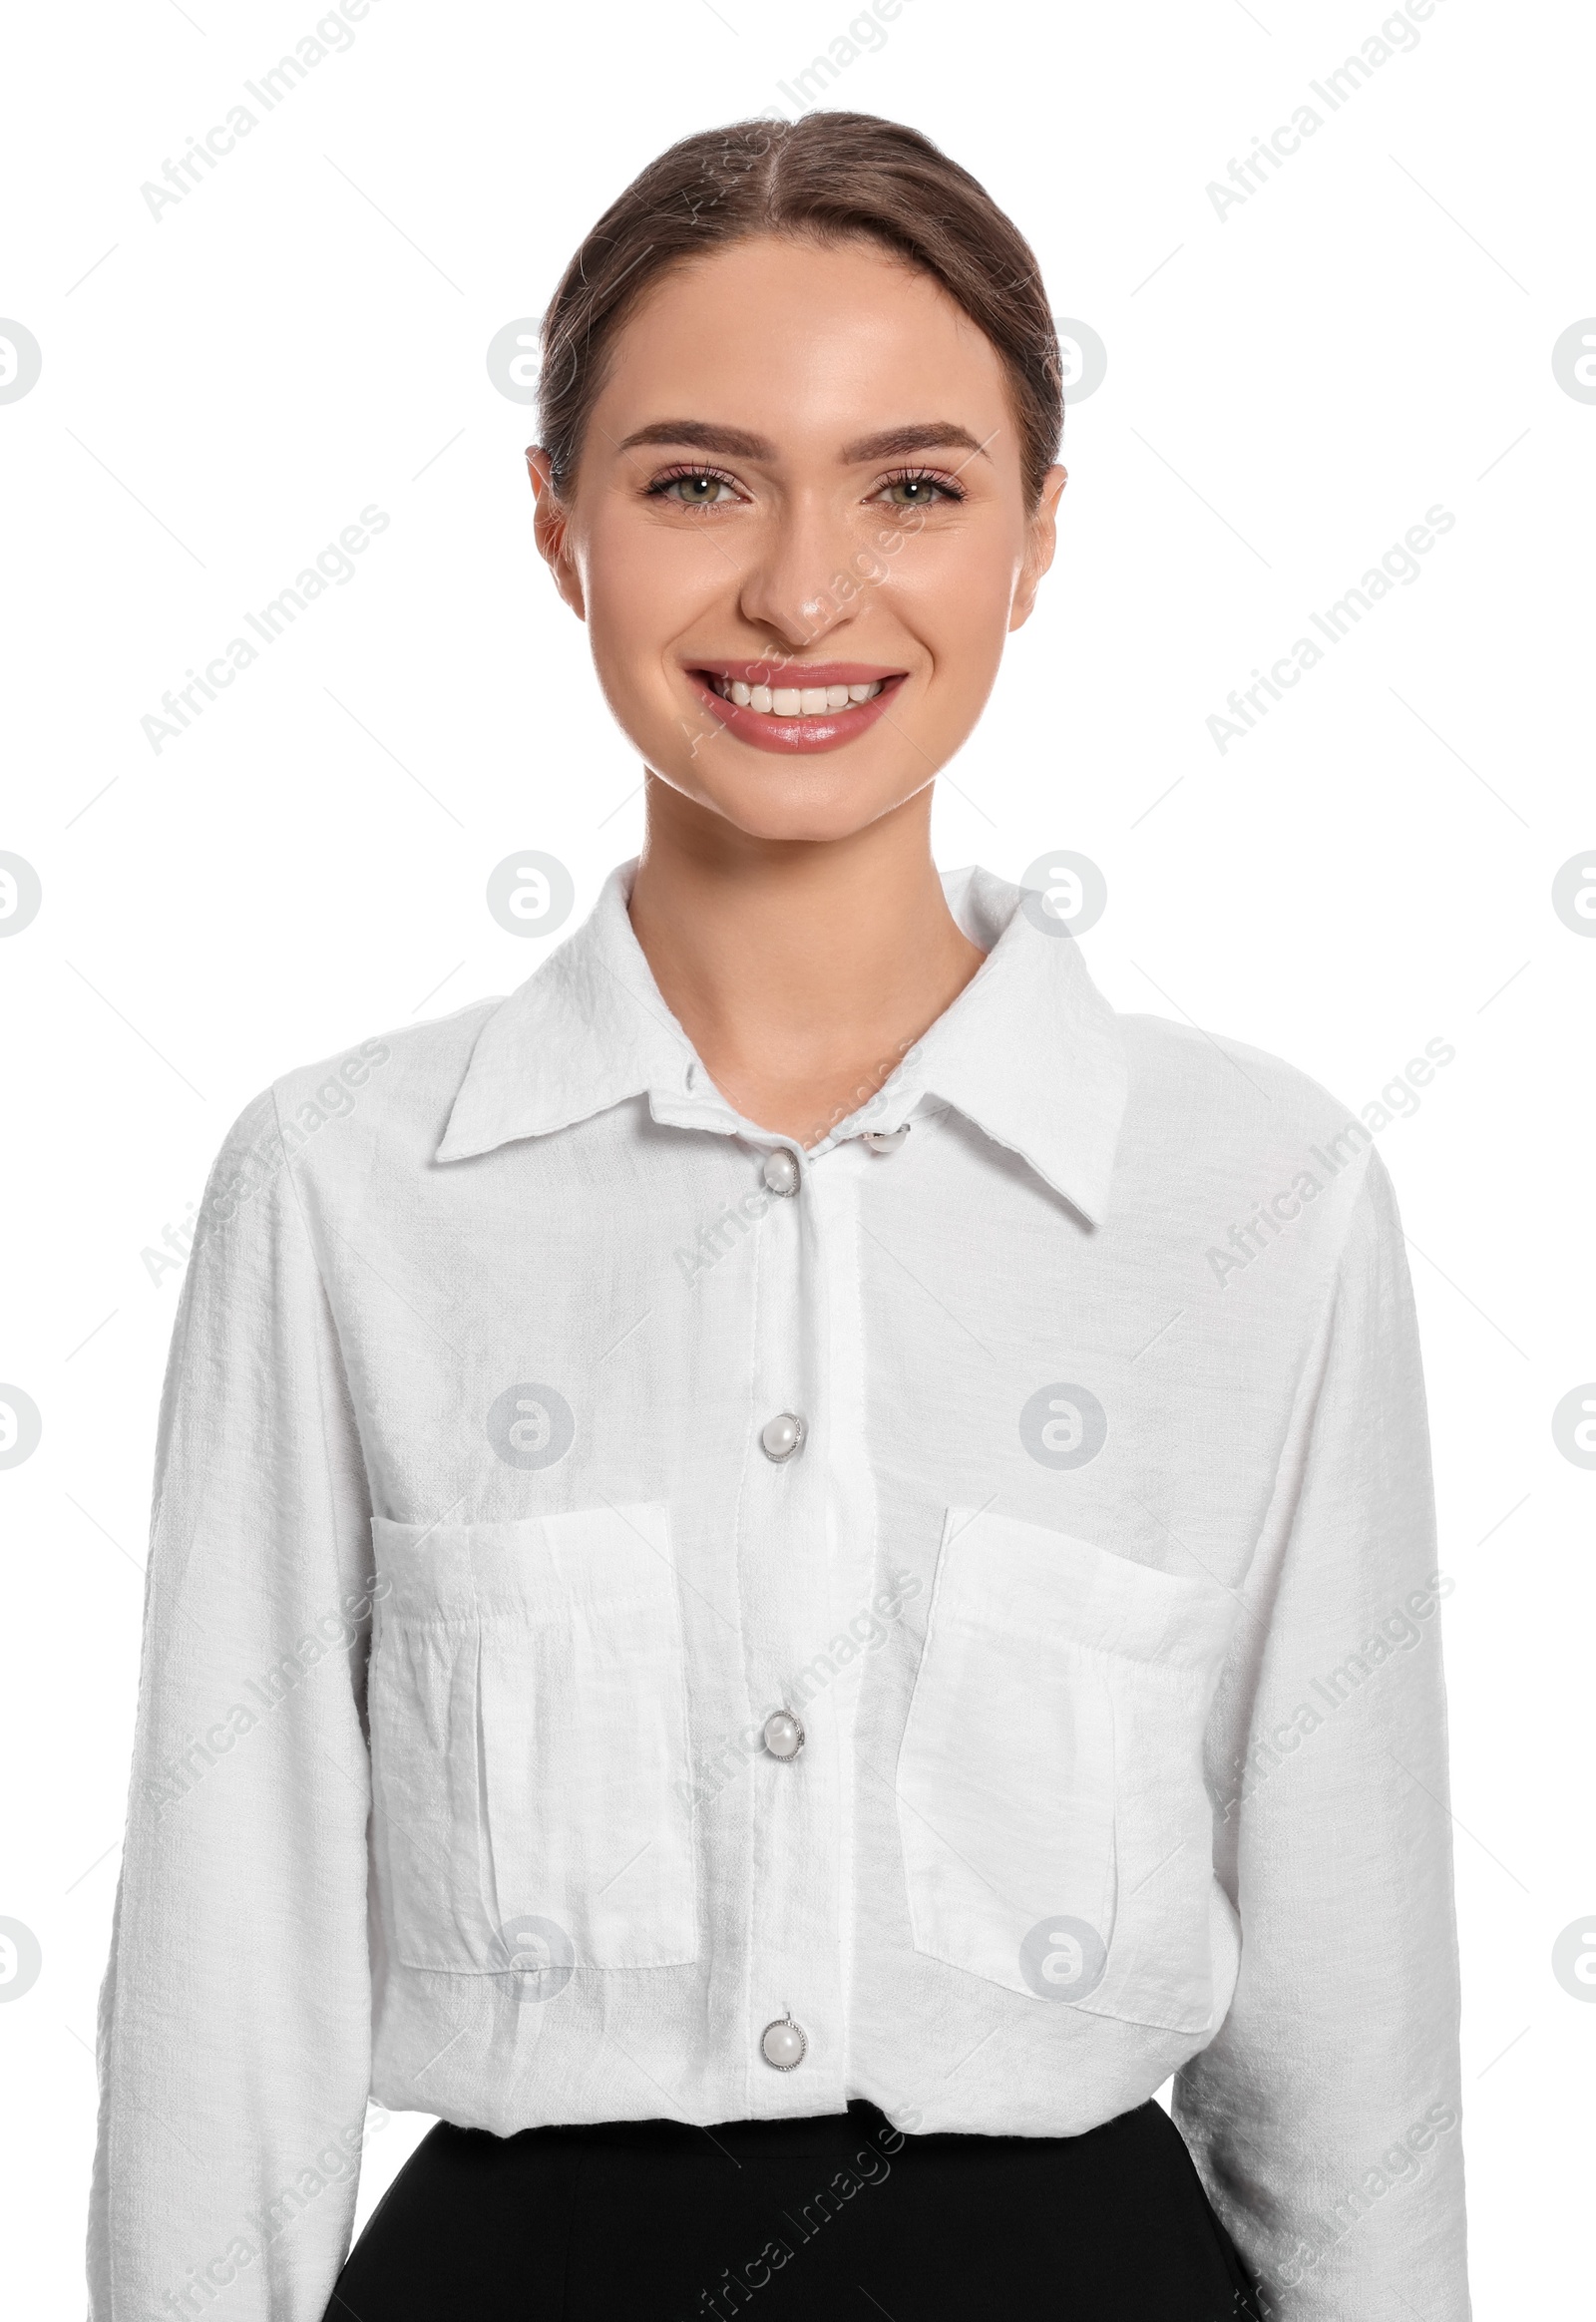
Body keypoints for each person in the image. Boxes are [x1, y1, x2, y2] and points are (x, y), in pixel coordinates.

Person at [87, 111, 1469, 2322]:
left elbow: (1352, 2020)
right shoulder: (343, 1188)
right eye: (695, 480)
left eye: (910, 487)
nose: (802, 592)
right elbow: (226, 1987)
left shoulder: (1254, 1197)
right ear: (557, 526)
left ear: (1032, 538)